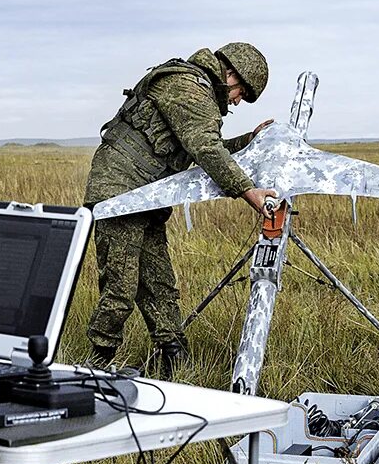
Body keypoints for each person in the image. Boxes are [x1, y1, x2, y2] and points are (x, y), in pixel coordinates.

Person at [83, 43, 276, 374]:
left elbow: (203, 145)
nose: (237, 101)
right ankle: (94, 366)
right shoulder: (187, 86)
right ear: (230, 74)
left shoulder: (196, 94)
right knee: (121, 287)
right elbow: (205, 148)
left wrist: (250, 139)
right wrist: (248, 192)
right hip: (120, 195)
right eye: (241, 92)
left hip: (147, 198)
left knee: (159, 283)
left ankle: (174, 357)